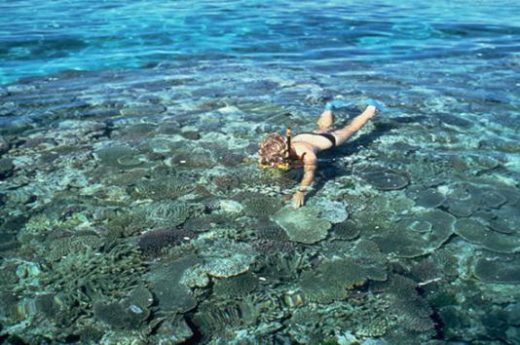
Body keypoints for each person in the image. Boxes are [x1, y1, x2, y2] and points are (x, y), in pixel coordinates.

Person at [258, 101, 379, 208]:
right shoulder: (285, 144)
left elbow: (309, 174)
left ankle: (370, 109)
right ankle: (328, 108)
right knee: (323, 127)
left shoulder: (308, 156)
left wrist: (301, 191)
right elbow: (270, 154)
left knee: (351, 128)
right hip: (305, 137)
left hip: (329, 140)